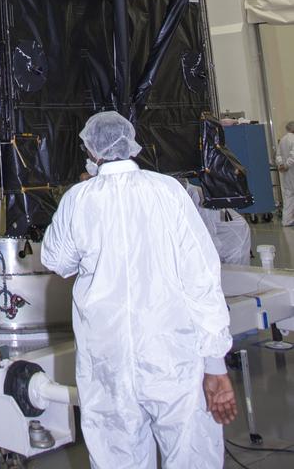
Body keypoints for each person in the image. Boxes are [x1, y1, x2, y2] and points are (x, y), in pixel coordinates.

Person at [42, 112, 237, 469]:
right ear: (131, 145)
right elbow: (202, 277)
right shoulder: (168, 192)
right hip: (173, 358)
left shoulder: (78, 200)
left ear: (92, 151)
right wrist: (215, 362)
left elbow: (57, 260)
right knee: (192, 455)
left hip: (107, 362)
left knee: (118, 457)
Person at [185, 182, 251, 266]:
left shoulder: (198, 196)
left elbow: (209, 237)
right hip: (219, 234)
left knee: (237, 274)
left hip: (234, 237)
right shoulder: (181, 195)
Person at [276, 120, 294, 226]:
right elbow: (293, 155)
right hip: (291, 169)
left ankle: (286, 220)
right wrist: (287, 165)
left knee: (288, 195)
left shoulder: (282, 139)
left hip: (286, 172)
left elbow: (278, 155)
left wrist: (281, 165)